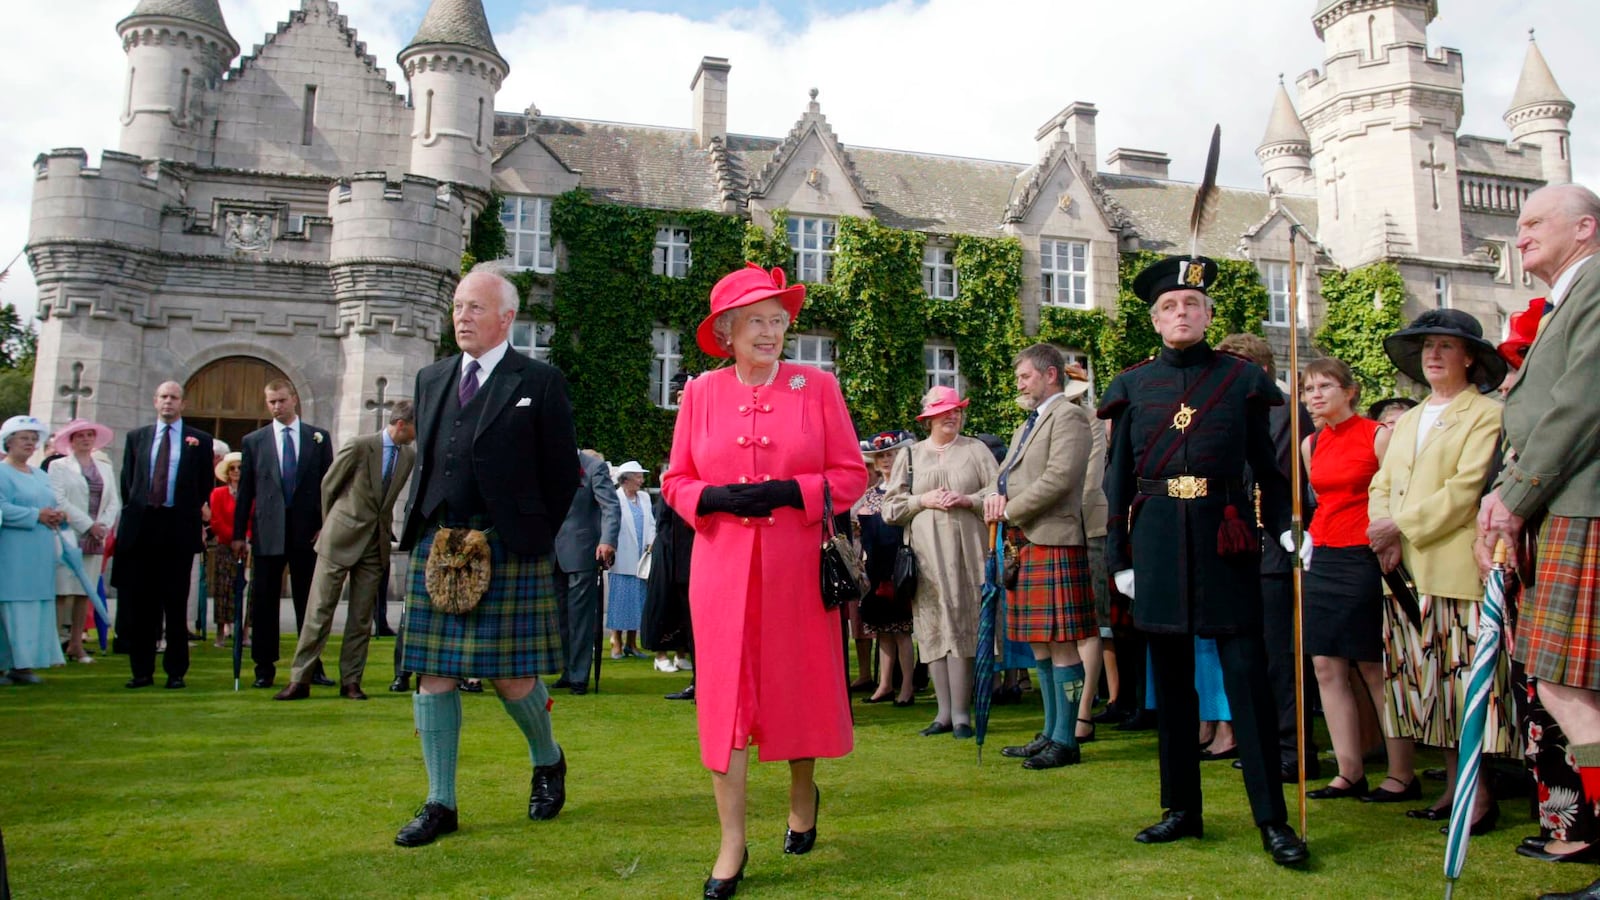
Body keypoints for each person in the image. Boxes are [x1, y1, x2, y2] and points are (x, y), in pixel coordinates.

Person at [661, 263, 867, 898]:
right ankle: (731, 843)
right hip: (721, 571)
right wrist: (714, 497)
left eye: (779, 320)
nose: (771, 332)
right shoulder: (699, 394)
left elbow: (852, 474)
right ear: (727, 331)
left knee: (795, 690)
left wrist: (794, 490)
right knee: (725, 703)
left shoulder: (818, 386)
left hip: (797, 569)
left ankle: (803, 791)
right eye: (757, 321)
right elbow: (675, 481)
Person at [1098, 254, 1307, 866]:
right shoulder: (1132, 386)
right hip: (1159, 540)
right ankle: (1181, 810)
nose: (1180, 313)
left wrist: (1291, 527)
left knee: (1247, 678)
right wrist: (1120, 556)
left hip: (1227, 536)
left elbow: (1271, 469)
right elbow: (1116, 483)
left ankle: (1272, 820)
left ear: (1208, 315)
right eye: (1169, 307)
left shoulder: (1241, 379)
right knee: (1173, 686)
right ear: (1155, 322)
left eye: (1191, 305)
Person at [392, 266, 581, 848]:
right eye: (457, 307)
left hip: (507, 546)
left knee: (511, 678)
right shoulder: (432, 378)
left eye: (475, 308)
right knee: (433, 675)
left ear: (506, 318)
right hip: (441, 542)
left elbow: (562, 474)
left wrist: (527, 534)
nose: (462, 318)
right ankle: (440, 802)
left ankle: (547, 759)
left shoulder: (539, 381)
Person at [1478, 184, 1600, 900]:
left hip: (1579, 505)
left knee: (1569, 684)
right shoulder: (1569, 298)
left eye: (1533, 224)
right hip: (1565, 506)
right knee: (1565, 685)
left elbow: (1583, 401)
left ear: (1584, 228)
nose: (1519, 237)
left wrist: (1515, 494)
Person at [1369, 307, 1510, 833]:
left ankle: (1479, 795)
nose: (1432, 354)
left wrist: (1397, 527)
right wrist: (1380, 528)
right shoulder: (1408, 418)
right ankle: (1454, 787)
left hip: (1454, 569)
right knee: (1428, 688)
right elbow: (1380, 482)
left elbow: (1465, 490)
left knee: (1464, 686)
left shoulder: (1486, 415)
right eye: (1427, 345)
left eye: (1445, 346)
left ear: (1470, 357)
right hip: (1403, 572)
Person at [1291, 358, 1412, 803]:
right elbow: (1322, 499)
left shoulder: (1378, 435)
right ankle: (1349, 770)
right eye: (1307, 389)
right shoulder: (1310, 444)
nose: (1315, 395)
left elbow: (1398, 493)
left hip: (1366, 554)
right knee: (1325, 664)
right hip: (1323, 554)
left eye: (1324, 386)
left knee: (1372, 666)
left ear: (1350, 390)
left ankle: (1400, 771)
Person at [982, 343, 1096, 770]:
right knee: (1040, 645)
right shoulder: (1028, 424)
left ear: (1050, 375)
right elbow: (1004, 477)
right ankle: (1050, 731)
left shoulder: (1069, 416)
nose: (1020, 384)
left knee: (1063, 644)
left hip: (1055, 538)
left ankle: (1067, 739)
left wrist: (1009, 508)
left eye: (1024, 376)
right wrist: (986, 499)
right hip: (1026, 542)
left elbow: (1059, 479)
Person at [1215, 332, 1320, 782]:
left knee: (1282, 659)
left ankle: (1294, 750)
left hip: (1276, 547)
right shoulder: (1240, 410)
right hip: (1244, 550)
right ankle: (1265, 743)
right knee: (1253, 656)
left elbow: (1271, 478)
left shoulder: (1282, 409)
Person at [273, 402, 417, 701]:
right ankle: (300, 679)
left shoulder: (409, 456)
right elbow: (329, 486)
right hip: (339, 538)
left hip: (374, 545)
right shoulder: (360, 446)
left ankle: (351, 681)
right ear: (402, 424)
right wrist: (332, 525)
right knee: (319, 610)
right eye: (417, 426)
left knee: (361, 618)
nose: (419, 434)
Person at [883, 385, 997, 741]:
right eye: (946, 411)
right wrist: (923, 500)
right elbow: (891, 507)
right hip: (927, 560)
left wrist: (969, 499)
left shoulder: (976, 450)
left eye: (957, 410)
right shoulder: (912, 455)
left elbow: (999, 491)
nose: (953, 415)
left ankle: (963, 715)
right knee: (933, 630)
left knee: (963, 627)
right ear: (929, 417)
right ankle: (943, 713)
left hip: (967, 557)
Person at [233, 380, 333, 689]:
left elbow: (329, 486)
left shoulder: (317, 438)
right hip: (268, 531)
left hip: (307, 533)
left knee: (309, 602)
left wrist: (325, 525)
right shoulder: (254, 441)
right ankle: (264, 667)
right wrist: (239, 534)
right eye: (271, 402)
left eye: (281, 400)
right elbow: (246, 490)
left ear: (294, 400)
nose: (276, 406)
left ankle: (311, 665)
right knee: (263, 601)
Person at [114, 382, 214, 689]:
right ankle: (141, 671)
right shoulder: (137, 438)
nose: (168, 402)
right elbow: (128, 482)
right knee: (143, 604)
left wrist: (188, 513)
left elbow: (203, 485)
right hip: (143, 528)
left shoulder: (199, 440)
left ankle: (176, 671)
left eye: (174, 398)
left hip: (177, 528)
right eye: (163, 397)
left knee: (175, 601)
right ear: (155, 402)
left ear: (183, 403)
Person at [0, 416, 69, 685]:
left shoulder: (40, 475)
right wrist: (34, 515)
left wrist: (55, 515)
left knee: (35, 606)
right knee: (10, 605)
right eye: (23, 439)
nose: (29, 443)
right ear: (9, 442)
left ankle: (24, 665)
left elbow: (49, 503)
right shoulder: (2, 472)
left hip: (39, 551)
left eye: (32, 439)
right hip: (13, 550)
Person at [48, 419, 120, 665]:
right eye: (80, 435)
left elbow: (113, 501)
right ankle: (55, 642)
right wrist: (88, 525)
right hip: (69, 534)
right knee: (61, 590)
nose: (85, 439)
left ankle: (76, 644)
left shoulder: (104, 468)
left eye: (90, 435)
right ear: (71, 440)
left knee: (85, 591)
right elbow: (58, 499)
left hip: (95, 537)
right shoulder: (59, 466)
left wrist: (102, 527)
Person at [854, 430, 917, 706]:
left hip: (898, 567)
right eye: (882, 456)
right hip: (875, 569)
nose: (887, 460)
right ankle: (885, 685)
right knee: (882, 630)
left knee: (902, 631)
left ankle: (907, 688)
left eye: (891, 454)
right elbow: (857, 522)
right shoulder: (868, 495)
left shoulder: (906, 491)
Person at [553, 448, 619, 695]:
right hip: (552, 553)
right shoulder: (547, 463)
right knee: (560, 618)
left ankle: (580, 676)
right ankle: (567, 671)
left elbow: (610, 507)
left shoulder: (592, 466)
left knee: (580, 619)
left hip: (582, 550)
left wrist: (608, 540)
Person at [606, 460, 656, 663]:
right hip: (622, 556)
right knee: (620, 603)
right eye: (638, 476)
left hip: (642, 556)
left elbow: (651, 523)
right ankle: (617, 642)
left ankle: (632, 643)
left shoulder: (644, 498)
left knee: (639, 603)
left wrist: (651, 542)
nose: (641, 480)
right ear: (626, 480)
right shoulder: (615, 498)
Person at [204, 452, 245, 648]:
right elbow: (216, 520)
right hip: (225, 546)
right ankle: (220, 633)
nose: (236, 471)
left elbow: (254, 518)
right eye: (232, 468)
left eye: (240, 467)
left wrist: (246, 539)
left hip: (248, 547)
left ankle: (244, 633)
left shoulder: (250, 493)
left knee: (250, 590)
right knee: (224, 590)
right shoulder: (218, 494)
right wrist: (234, 538)